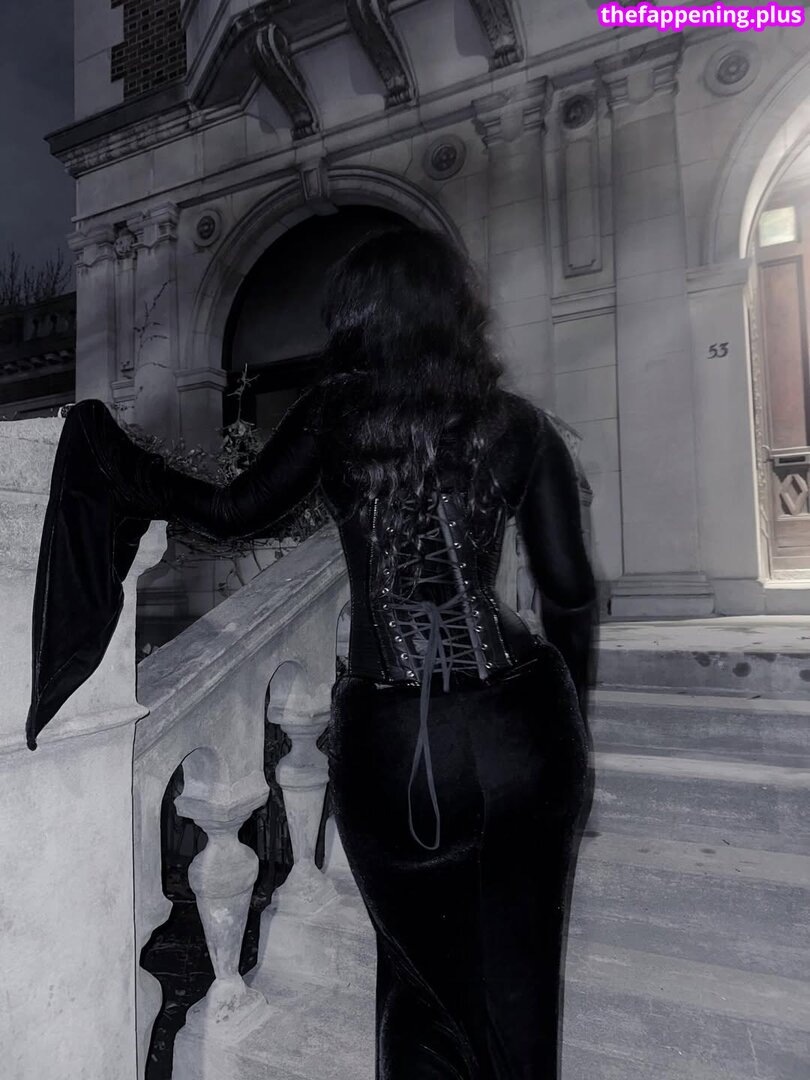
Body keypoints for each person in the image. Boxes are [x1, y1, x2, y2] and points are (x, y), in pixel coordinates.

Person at [27, 228, 596, 1079]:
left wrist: (108, 455)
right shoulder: (519, 425)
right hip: (527, 734)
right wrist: (573, 730)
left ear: (359, 315)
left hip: (400, 745)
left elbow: (231, 514)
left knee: (421, 986)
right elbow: (570, 590)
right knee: (520, 980)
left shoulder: (336, 415)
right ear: (458, 312)